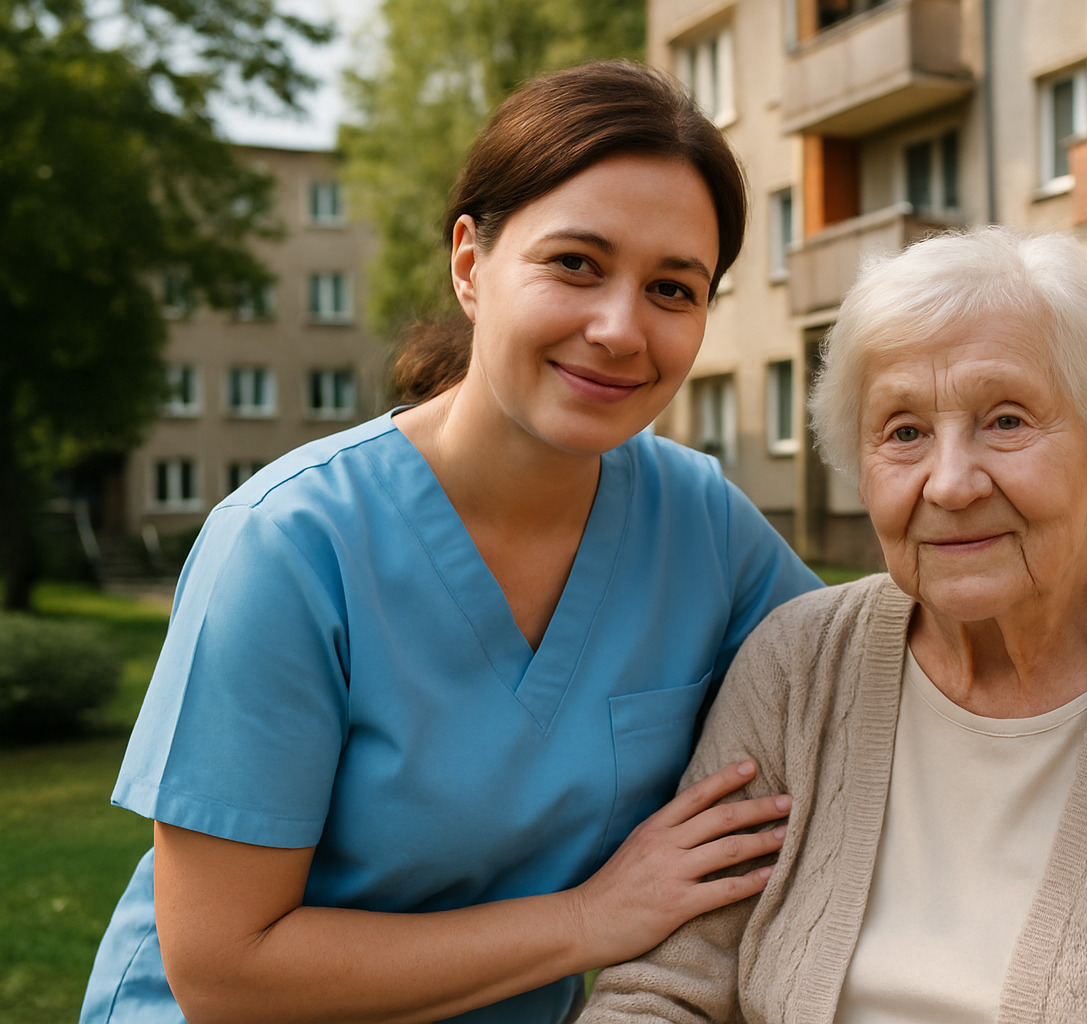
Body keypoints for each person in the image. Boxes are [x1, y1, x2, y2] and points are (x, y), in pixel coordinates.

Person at [80, 61, 821, 1024]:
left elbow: (875, 675)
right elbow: (226, 971)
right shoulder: (287, 545)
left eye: (672, 289)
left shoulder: (701, 524)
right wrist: (592, 918)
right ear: (471, 264)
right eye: (576, 264)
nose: (618, 328)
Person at [580, 227, 1087, 1024]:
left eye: (1006, 420)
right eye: (903, 432)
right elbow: (661, 991)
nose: (949, 483)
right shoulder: (794, 665)